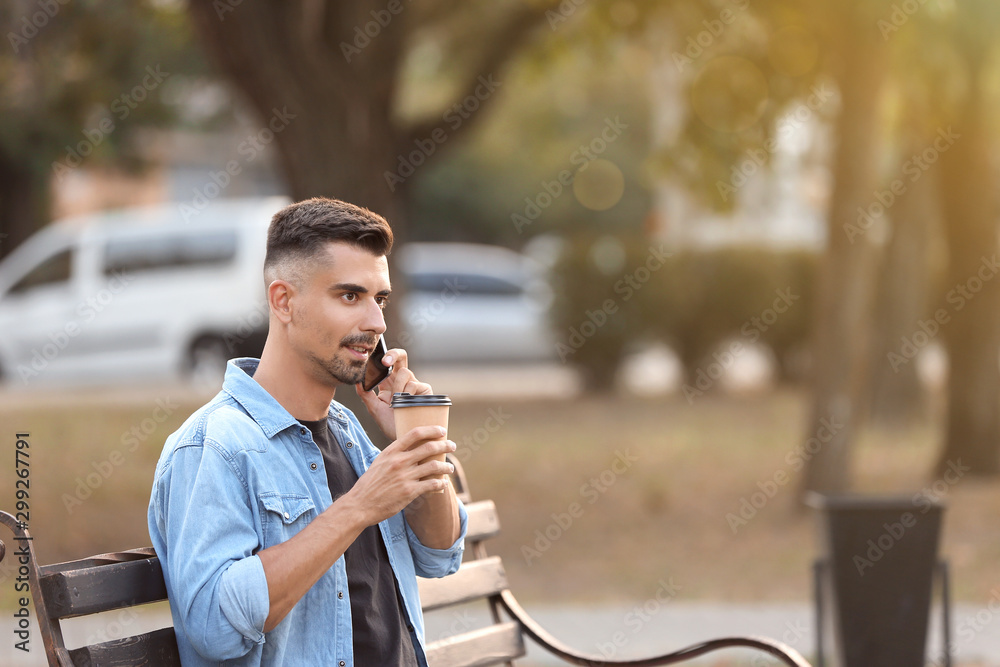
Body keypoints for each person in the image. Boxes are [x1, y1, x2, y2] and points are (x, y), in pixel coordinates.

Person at [148, 197, 467, 666]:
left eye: (379, 299)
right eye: (349, 296)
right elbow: (215, 627)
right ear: (283, 301)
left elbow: (441, 555)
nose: (376, 324)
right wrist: (358, 507)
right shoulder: (215, 446)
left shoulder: (349, 434)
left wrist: (411, 437)